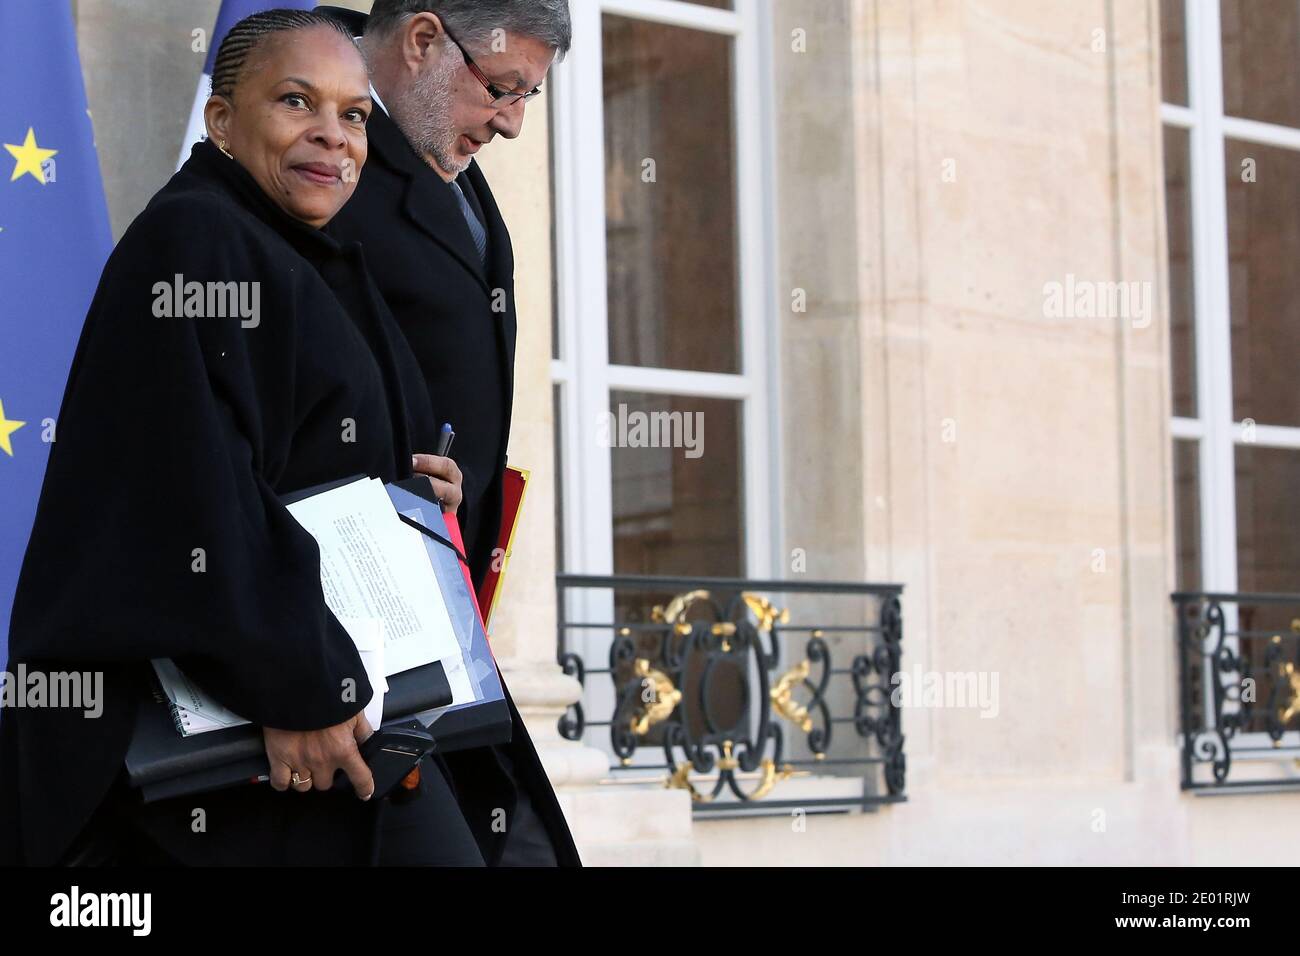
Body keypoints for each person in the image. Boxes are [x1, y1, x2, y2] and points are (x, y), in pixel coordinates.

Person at [0, 9, 482, 866]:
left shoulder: (311, 255)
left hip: (332, 706)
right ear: (221, 119)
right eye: (296, 102)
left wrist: (419, 489)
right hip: (255, 737)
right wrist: (299, 685)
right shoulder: (196, 235)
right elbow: (186, 485)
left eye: (354, 114)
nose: (333, 136)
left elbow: (315, 453)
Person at [323, 0, 579, 868]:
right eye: (502, 89)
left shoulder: (437, 146)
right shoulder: (324, 160)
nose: (511, 123)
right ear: (425, 39)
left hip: (439, 619)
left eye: (526, 97)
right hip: (353, 636)